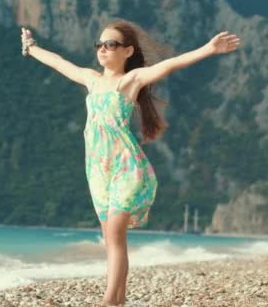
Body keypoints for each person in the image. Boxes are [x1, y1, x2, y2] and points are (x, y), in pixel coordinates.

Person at [21, 20, 240, 306]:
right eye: (99, 44)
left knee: (114, 234)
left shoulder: (130, 80)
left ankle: (109, 301)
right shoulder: (91, 79)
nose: (102, 49)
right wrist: (32, 47)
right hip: (97, 170)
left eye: (110, 44)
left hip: (126, 166)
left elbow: (169, 65)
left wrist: (208, 49)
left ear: (127, 51)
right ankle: (119, 301)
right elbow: (60, 63)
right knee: (112, 239)